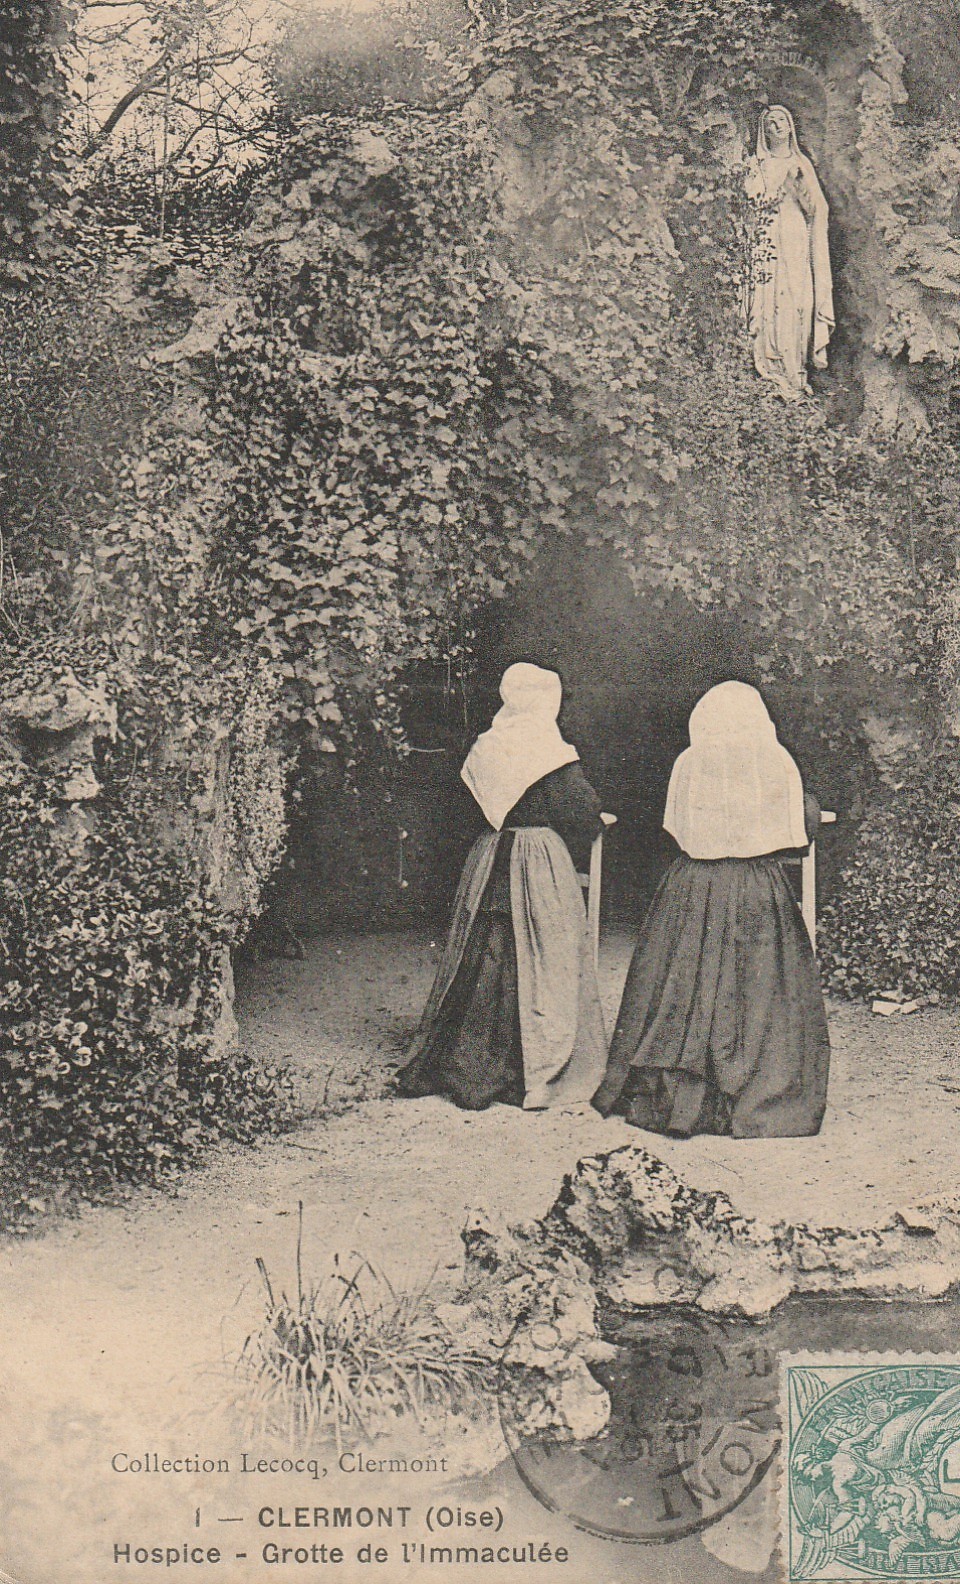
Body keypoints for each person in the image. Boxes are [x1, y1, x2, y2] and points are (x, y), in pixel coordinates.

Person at [592, 681, 830, 1138]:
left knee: (684, 984)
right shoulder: (775, 761)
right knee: (761, 986)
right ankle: (752, 1086)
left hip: (692, 886)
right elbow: (800, 830)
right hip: (755, 889)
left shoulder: (689, 762)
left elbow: (675, 825)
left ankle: (681, 1088)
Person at [397, 662, 608, 1111]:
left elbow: (463, 811)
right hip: (539, 862)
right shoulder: (550, 752)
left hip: (489, 859)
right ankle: (534, 1069)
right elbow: (581, 812)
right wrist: (588, 825)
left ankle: (468, 1059)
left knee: (485, 951)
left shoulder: (484, 749)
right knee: (544, 956)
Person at [742, 104, 834, 400]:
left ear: (791, 126)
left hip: (795, 237)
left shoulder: (801, 162)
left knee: (798, 300)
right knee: (770, 299)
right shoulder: (758, 165)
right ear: (763, 131)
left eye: (782, 120)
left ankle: (796, 370)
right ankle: (772, 367)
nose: (778, 126)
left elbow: (817, 209)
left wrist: (800, 182)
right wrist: (779, 184)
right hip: (768, 238)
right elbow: (751, 203)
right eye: (771, 122)